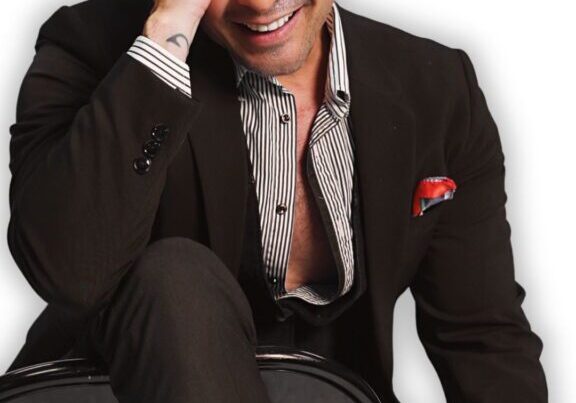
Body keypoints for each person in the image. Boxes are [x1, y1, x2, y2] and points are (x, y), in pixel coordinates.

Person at [5, 0, 548, 401]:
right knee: (174, 277)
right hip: (108, 390)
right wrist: (168, 31)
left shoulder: (437, 89)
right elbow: (69, 271)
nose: (262, 4)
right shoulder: (92, 48)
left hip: (333, 393)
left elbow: (481, 339)